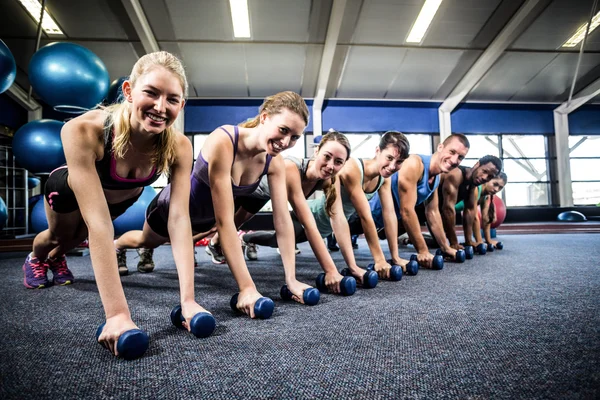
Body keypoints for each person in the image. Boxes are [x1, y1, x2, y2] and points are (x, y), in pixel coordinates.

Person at [22, 51, 203, 356]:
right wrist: (117, 315)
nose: (160, 107)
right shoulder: (84, 129)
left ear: (181, 105)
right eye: (151, 93)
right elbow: (100, 225)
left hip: (119, 198)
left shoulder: (180, 146)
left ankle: (58, 258)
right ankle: (37, 258)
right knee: (60, 236)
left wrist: (189, 300)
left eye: (172, 99)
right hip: (68, 189)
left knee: (78, 238)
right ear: (130, 91)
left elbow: (179, 219)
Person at [116, 91, 310, 317]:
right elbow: (226, 221)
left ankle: (142, 249)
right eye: (283, 130)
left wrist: (292, 279)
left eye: (295, 137)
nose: (286, 142)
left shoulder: (274, 162)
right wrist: (247, 288)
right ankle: (117, 246)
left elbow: (282, 221)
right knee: (147, 240)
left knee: (180, 244)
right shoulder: (225, 140)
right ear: (265, 118)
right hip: (172, 210)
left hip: (204, 221)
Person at [213, 131, 354, 293]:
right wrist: (331, 271)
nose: (330, 166)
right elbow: (309, 224)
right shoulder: (291, 168)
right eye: (327, 157)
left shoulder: (330, 179)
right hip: (248, 189)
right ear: (317, 151)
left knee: (232, 225)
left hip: (263, 196)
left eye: (338, 162)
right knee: (210, 228)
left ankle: (216, 242)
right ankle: (207, 244)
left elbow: (338, 219)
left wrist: (353, 266)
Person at [304, 131, 409, 283]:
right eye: (390, 158)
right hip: (313, 216)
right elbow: (365, 216)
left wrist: (395, 256)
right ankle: (254, 238)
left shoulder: (383, 178)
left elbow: (389, 214)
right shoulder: (353, 167)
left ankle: (254, 239)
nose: (392, 166)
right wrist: (379, 259)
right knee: (273, 239)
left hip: (330, 227)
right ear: (378, 151)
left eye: (399, 162)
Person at [370, 134, 470, 268]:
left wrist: (445, 247)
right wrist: (422, 250)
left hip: (384, 222)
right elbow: (406, 211)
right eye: (452, 152)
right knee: (337, 233)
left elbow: (432, 213)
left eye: (460, 157)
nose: (454, 160)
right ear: (440, 147)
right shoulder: (415, 164)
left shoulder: (437, 177)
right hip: (363, 215)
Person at [438, 155, 502, 250]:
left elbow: (470, 211)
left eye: (490, 177)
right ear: (477, 165)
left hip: (432, 212)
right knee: (442, 243)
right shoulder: (456, 174)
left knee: (437, 242)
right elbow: (448, 209)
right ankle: (408, 238)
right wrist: (454, 243)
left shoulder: (473, 186)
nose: (485, 178)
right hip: (418, 208)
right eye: (484, 171)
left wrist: (469, 241)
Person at [478, 172, 508, 247]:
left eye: (500, 187)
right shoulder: (476, 189)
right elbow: (474, 218)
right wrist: (479, 242)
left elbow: (486, 219)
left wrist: (488, 240)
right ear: (487, 179)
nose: (496, 189)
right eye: (495, 184)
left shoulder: (486, 196)